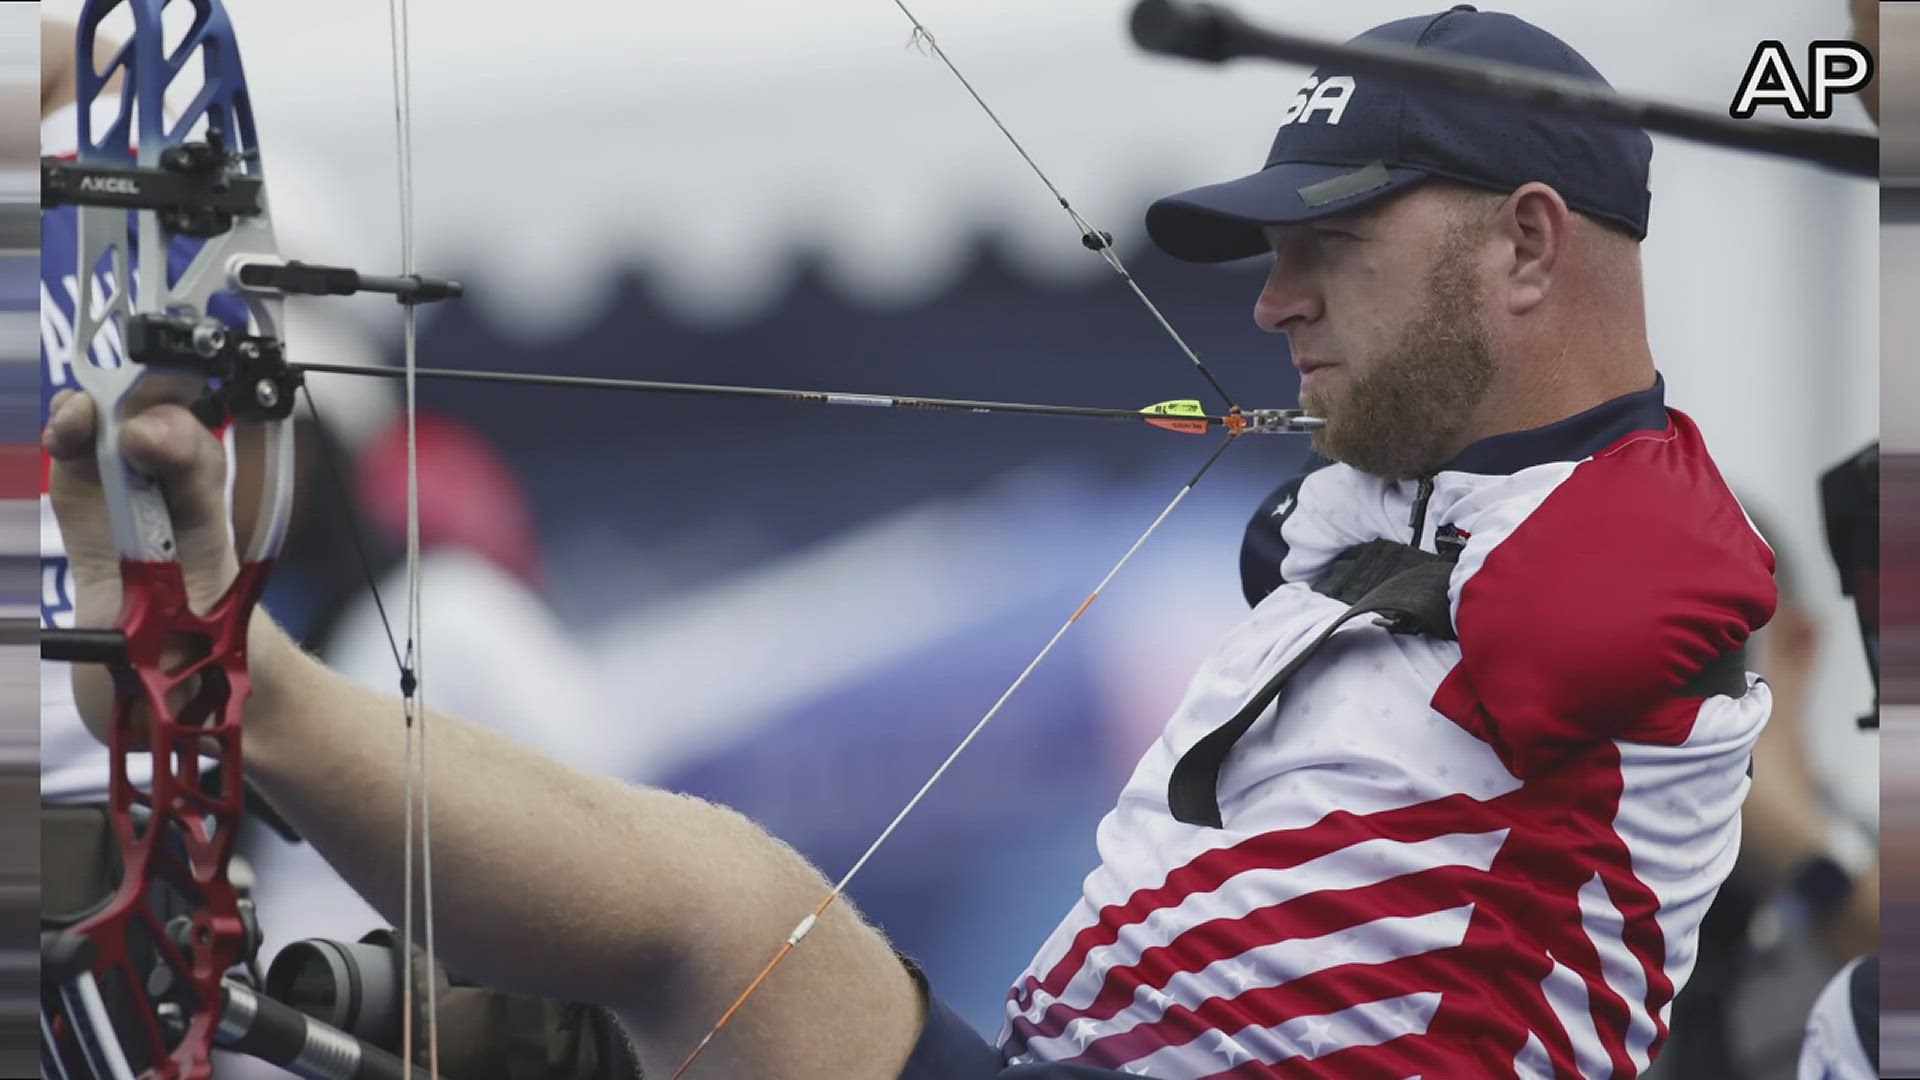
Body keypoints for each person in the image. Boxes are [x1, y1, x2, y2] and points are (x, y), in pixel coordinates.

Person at [45, 8, 1777, 1079]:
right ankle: (223, 673)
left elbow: (1650, 607)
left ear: (1532, 252)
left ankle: (233, 676)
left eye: (1336, 249)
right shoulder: (1378, 528)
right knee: (694, 944)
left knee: (735, 928)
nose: (1272, 298)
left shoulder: (1648, 544)